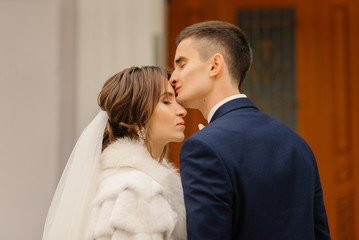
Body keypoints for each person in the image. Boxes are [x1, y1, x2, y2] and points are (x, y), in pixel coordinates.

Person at [170, 21, 330, 239]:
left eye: (182, 64)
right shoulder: (296, 143)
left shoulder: (202, 148)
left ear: (214, 65)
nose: (173, 78)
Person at [43, 66, 187, 240]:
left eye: (177, 100)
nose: (182, 111)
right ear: (136, 119)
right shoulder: (135, 188)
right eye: (166, 101)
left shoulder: (127, 181)